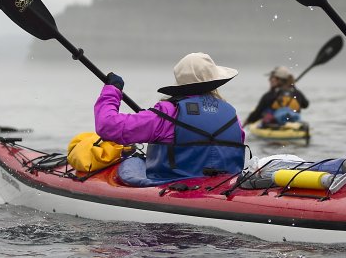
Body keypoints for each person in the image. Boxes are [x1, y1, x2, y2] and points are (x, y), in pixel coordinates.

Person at [95, 52, 246, 182]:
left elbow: (107, 126)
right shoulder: (232, 115)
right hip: (225, 188)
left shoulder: (167, 113)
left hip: (175, 187)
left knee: (132, 161)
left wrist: (113, 89)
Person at [243, 65, 310, 128]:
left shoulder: (270, 95)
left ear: (279, 80)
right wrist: (293, 87)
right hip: (294, 125)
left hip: (275, 126)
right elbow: (305, 105)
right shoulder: (297, 93)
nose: (269, 80)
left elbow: (257, 112)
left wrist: (246, 122)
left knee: (265, 113)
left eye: (272, 78)